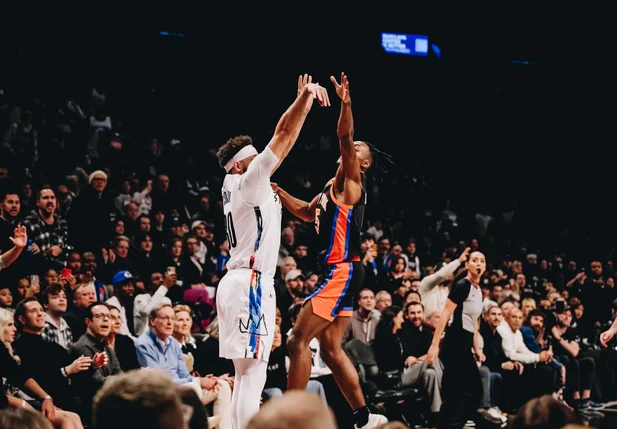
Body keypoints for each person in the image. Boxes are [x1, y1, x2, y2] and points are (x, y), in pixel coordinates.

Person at [215, 75, 329, 429]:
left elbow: (287, 139)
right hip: (250, 282)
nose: (265, 161)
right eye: (255, 158)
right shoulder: (247, 182)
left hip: (239, 281)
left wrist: (304, 107)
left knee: (245, 376)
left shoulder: (248, 187)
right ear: (238, 165)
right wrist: (304, 98)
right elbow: (281, 136)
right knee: (253, 378)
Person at [274, 73, 387, 428]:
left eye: (358, 152)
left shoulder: (352, 182)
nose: (351, 152)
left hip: (342, 269)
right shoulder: (329, 187)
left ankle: (291, 417)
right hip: (342, 271)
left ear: (362, 164)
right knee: (330, 349)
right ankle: (364, 417)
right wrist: (278, 192)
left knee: (296, 340)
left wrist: (346, 102)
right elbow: (308, 212)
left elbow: (344, 135)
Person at [427, 251, 486, 429]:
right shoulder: (462, 285)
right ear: (467, 265)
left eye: (482, 261)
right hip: (455, 342)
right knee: (474, 390)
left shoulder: (478, 290)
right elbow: (445, 314)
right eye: (474, 260)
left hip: (464, 343)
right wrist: (434, 345)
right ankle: (455, 425)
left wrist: (477, 349)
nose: (479, 263)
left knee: (453, 393)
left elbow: (475, 322)